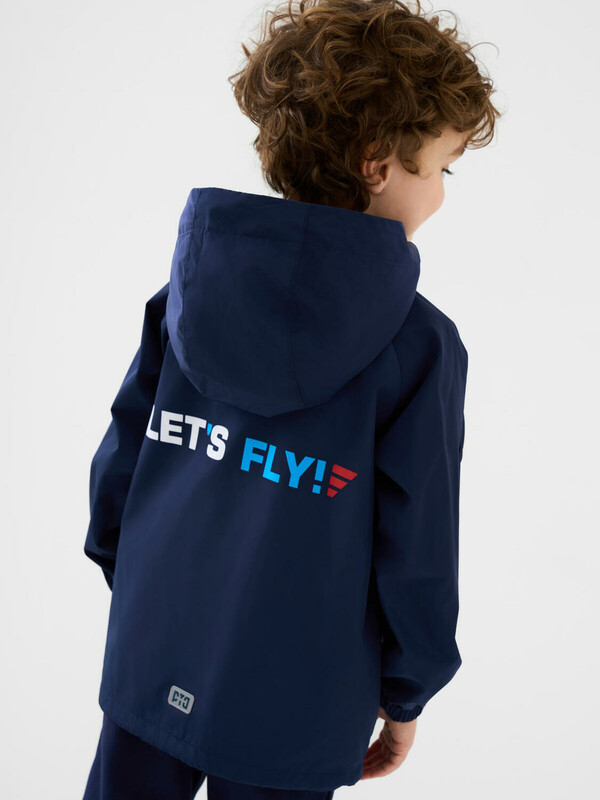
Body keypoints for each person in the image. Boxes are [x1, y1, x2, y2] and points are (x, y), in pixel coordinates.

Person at [81, 1, 501, 798]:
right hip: (301, 695)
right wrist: (405, 693)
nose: (442, 193)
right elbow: (417, 545)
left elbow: (122, 464)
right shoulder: (417, 347)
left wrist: (140, 591)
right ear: (378, 165)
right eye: (441, 168)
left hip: (153, 650)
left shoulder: (189, 292)